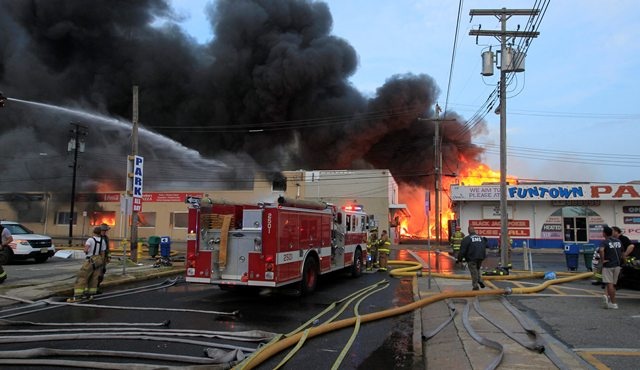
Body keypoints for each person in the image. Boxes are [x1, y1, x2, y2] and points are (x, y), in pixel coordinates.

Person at [68, 226, 106, 302]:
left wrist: (86, 252)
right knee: (94, 278)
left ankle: (77, 296)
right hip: (98, 261)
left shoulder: (90, 239)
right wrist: (102, 261)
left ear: (94, 232)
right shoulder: (103, 241)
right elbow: (103, 252)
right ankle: (90, 295)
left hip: (90, 260)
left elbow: (86, 249)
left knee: (82, 276)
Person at [599, 226, 622, 309]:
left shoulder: (604, 242)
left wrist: (603, 260)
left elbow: (601, 250)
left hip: (608, 265)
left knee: (609, 284)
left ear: (604, 233)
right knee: (613, 284)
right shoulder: (618, 241)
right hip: (617, 265)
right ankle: (608, 298)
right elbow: (622, 252)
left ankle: (613, 303)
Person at [457, 226, 487, 290]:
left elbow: (462, 251)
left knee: (473, 271)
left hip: (472, 257)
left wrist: (459, 259)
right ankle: (480, 280)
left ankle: (475, 286)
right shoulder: (481, 238)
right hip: (480, 257)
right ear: (474, 230)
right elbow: (485, 247)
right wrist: (483, 257)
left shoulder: (466, 239)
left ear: (468, 231)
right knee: (477, 269)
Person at [97, 223, 111, 293]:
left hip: (104, 258)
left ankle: (97, 287)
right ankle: (93, 288)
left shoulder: (106, 238)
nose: (105, 232)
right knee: (96, 273)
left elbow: (108, 248)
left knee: (102, 272)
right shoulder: (96, 238)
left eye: (105, 230)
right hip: (96, 258)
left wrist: (108, 256)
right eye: (103, 230)